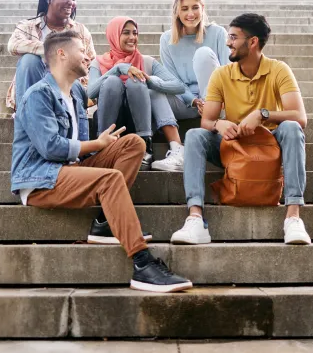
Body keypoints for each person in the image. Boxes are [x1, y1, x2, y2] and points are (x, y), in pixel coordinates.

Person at [11, 30, 192, 293]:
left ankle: (105, 223)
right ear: (61, 54)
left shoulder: (74, 93)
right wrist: (98, 145)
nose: (87, 55)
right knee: (110, 179)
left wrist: (101, 148)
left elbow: (79, 152)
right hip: (40, 178)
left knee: (134, 144)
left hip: (70, 170)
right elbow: (50, 148)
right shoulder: (39, 94)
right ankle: (142, 264)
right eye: (81, 50)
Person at [171, 13, 311, 246]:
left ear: (253, 42)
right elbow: (206, 121)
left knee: (292, 128)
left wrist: (262, 114)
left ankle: (293, 217)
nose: (228, 42)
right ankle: (195, 218)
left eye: (234, 37)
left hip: (269, 145)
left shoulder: (279, 70)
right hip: (232, 145)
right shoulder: (222, 74)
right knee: (195, 134)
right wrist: (219, 124)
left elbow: (300, 117)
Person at [87, 16, 185, 170]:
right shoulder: (98, 62)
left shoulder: (146, 61)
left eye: (135, 33)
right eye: (126, 33)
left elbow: (179, 86)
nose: (132, 37)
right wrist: (118, 69)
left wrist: (150, 81)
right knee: (112, 82)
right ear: (114, 35)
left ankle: (146, 148)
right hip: (111, 121)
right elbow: (91, 92)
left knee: (136, 81)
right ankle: (103, 147)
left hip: (140, 122)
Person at [151, 0, 230, 172]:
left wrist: (213, 101)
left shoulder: (218, 33)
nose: (190, 13)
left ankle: (211, 118)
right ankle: (178, 150)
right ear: (177, 12)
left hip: (217, 100)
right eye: (184, 8)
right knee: (152, 87)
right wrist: (194, 101)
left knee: (203, 54)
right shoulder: (167, 39)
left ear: (202, 8)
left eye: (195, 7)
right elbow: (173, 81)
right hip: (187, 102)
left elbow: (228, 72)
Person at [6, 0, 95, 111]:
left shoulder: (80, 31)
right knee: (28, 60)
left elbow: (90, 65)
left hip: (67, 91)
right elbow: (13, 45)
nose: (70, 3)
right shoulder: (29, 26)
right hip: (34, 89)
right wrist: (50, 50)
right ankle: (28, 116)